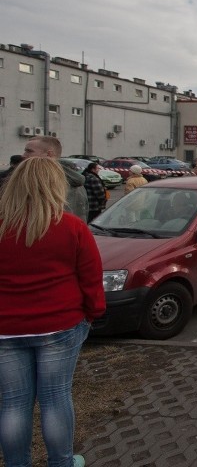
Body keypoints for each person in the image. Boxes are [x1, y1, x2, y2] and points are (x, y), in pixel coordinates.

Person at [0, 157, 105, 467]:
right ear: (55, 186)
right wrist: (92, 313)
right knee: (55, 398)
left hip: (6, 329)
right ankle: (61, 463)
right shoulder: (71, 226)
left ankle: (17, 463)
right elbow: (90, 276)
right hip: (59, 325)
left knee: (13, 404)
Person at [22, 136, 88, 220]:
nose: (23, 155)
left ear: (49, 154)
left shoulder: (57, 184)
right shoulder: (74, 181)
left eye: (29, 151)